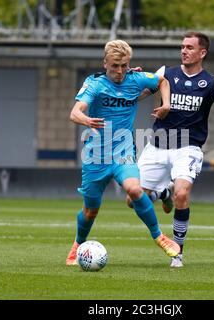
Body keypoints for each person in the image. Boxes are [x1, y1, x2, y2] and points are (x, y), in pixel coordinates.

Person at [135, 31, 214, 267]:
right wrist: (131, 82)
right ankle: (163, 194)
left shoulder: (212, 82)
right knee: (134, 199)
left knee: (182, 194)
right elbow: (140, 95)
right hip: (157, 146)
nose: (183, 51)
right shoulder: (165, 73)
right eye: (182, 46)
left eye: (189, 47)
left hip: (188, 147)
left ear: (202, 52)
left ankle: (177, 252)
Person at [66, 39, 180, 266]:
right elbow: (75, 112)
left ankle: (159, 236)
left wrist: (166, 104)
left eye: (124, 65)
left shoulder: (136, 79)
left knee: (134, 189)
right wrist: (86, 120)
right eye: (115, 66)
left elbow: (163, 81)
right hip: (95, 156)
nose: (119, 71)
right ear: (105, 62)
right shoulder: (95, 84)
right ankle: (78, 244)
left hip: (123, 150)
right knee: (90, 212)